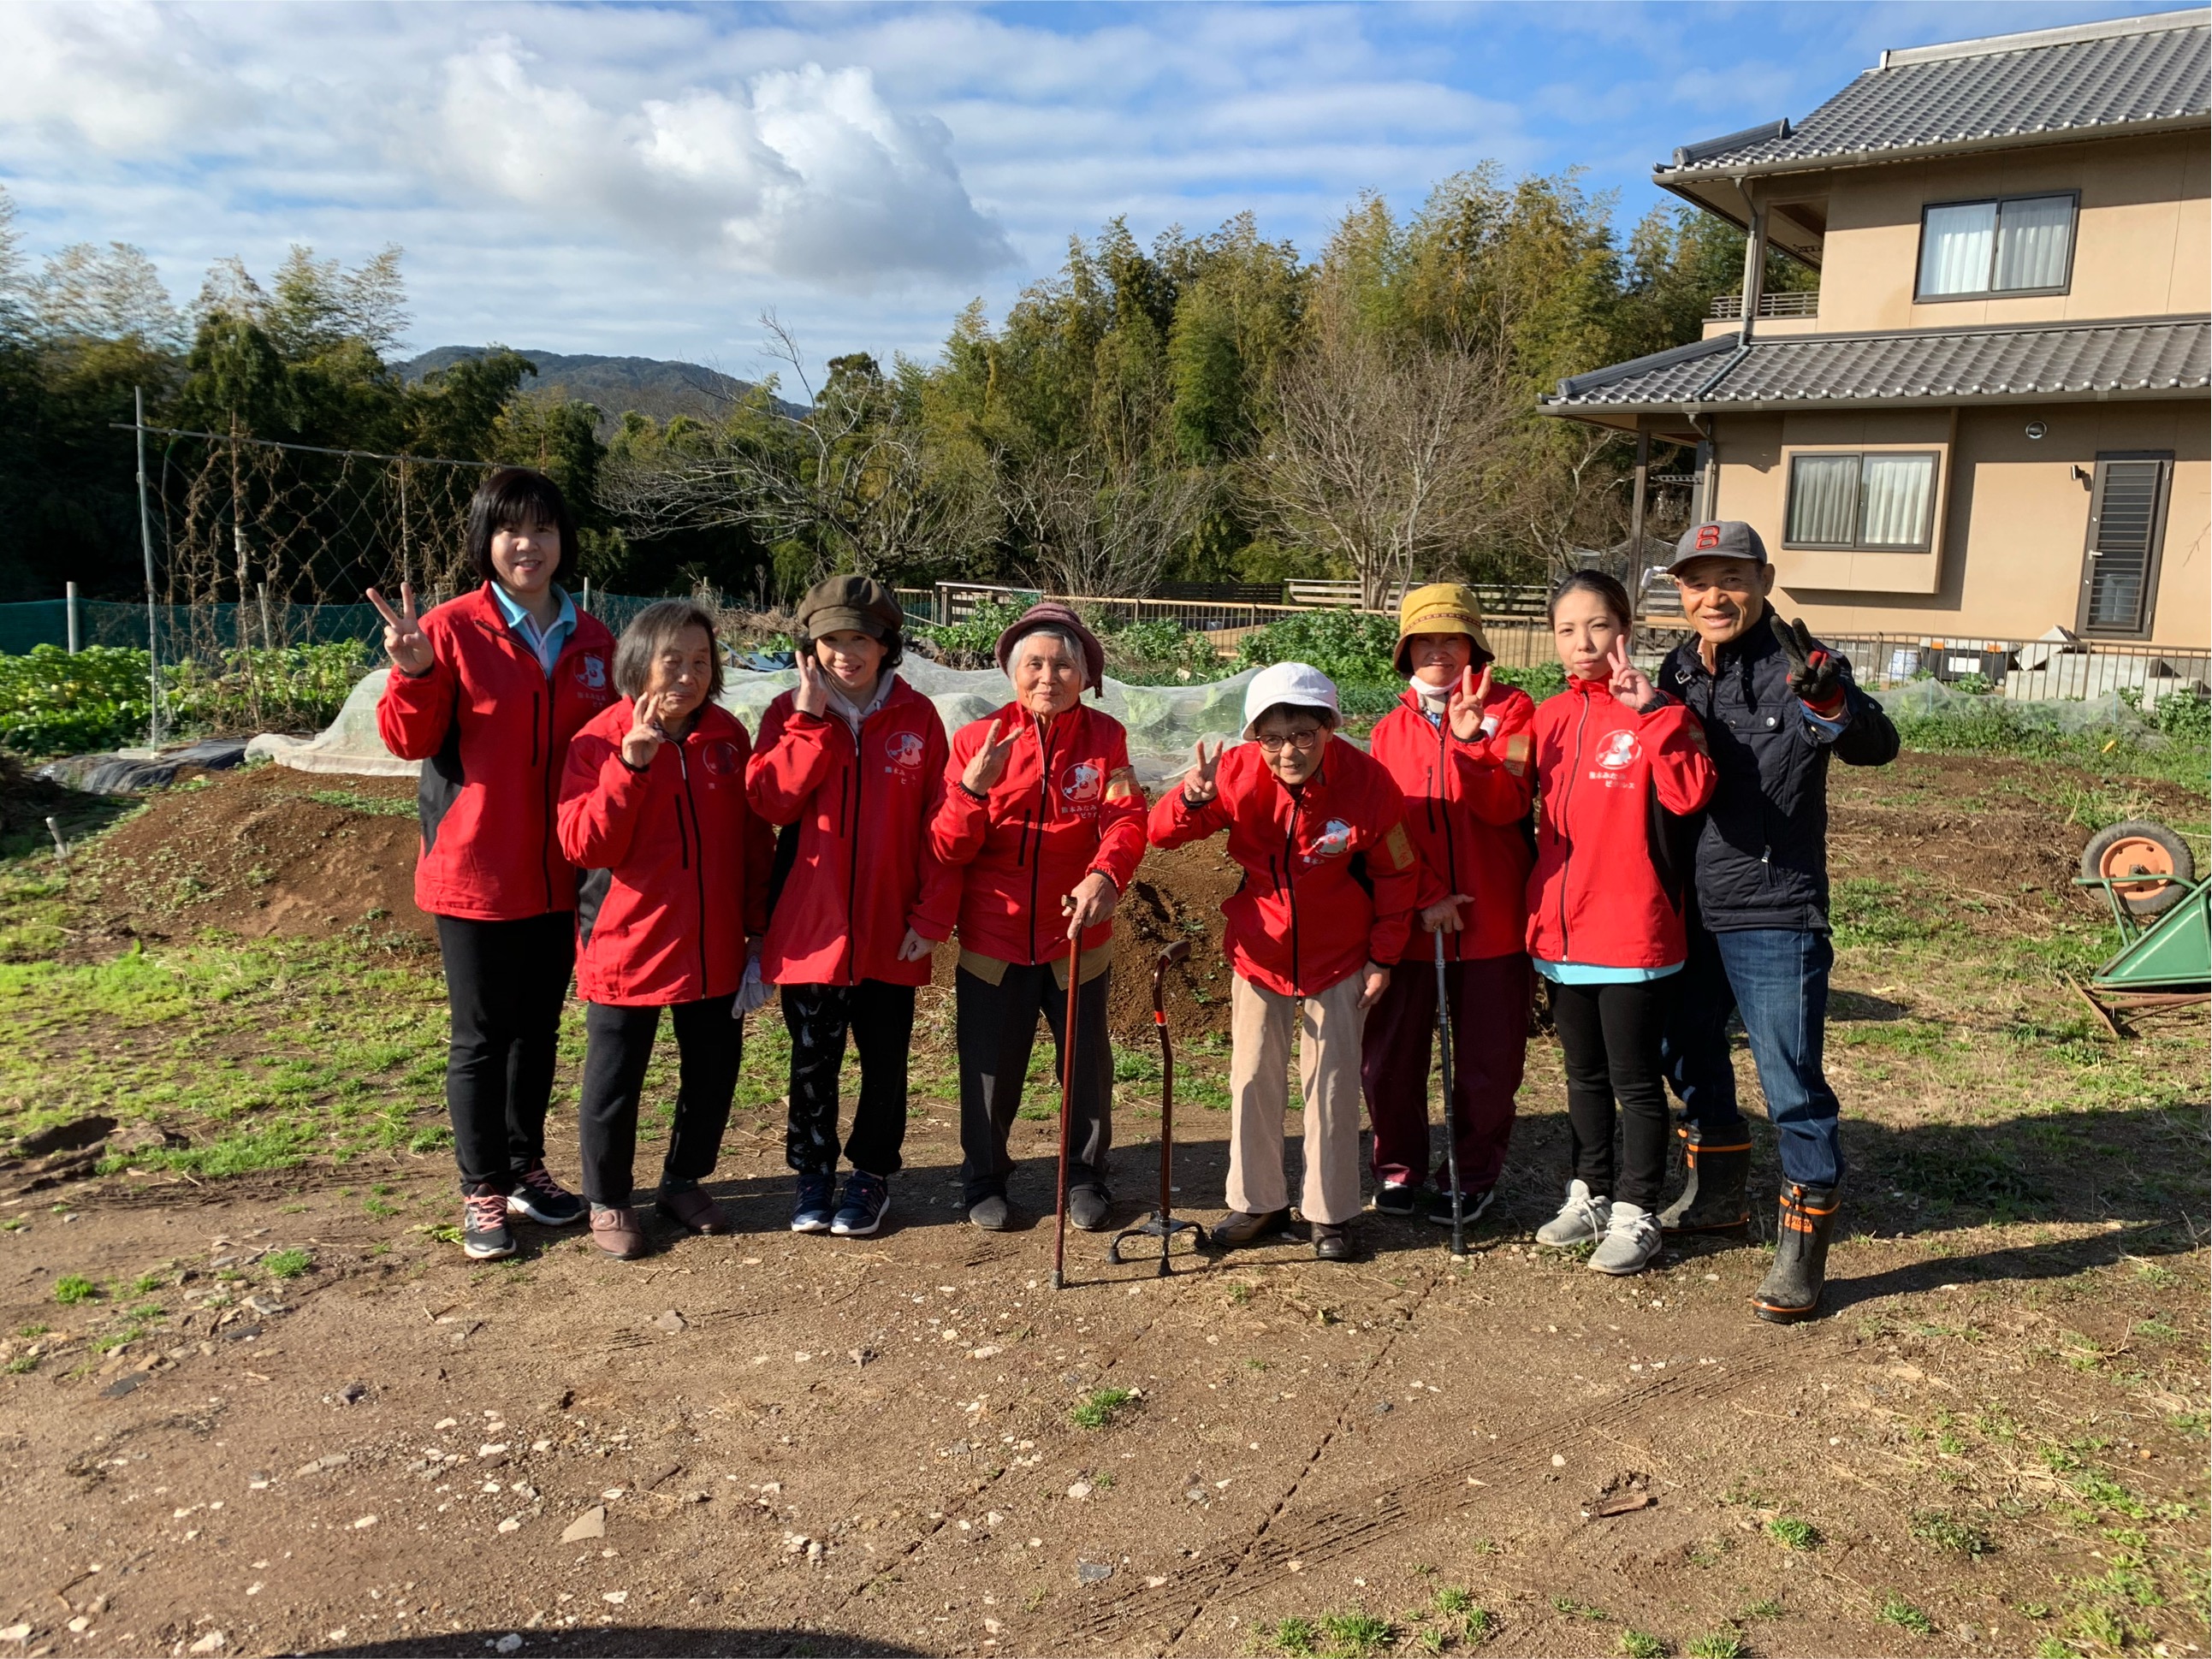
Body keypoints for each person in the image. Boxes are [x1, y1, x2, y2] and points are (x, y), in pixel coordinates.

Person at [1653, 521, 1899, 1322]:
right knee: (1686, 1050)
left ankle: (1802, 1246)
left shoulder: (1802, 662)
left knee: (1789, 1079)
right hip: (1691, 901)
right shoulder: (1679, 665)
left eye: (1729, 577)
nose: (1712, 596)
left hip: (1774, 906)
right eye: (1697, 581)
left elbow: (1873, 743)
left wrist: (1832, 701)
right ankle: (1718, 1192)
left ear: (1762, 577)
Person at [372, 466, 618, 1260]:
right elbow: (409, 740)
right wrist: (411, 673)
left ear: (561, 542)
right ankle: (481, 1187)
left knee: (538, 1030)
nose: (529, 544)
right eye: (513, 529)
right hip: (474, 871)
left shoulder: (593, 639)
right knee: (480, 1037)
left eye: (544, 529)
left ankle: (524, 1167)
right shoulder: (446, 628)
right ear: (487, 540)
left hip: (559, 871)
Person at [1149, 662, 1423, 1263]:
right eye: (1270, 736)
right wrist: (1190, 799)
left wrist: (1383, 955)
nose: (1286, 750)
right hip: (1258, 951)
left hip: (1339, 954)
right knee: (1249, 1077)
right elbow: (1161, 835)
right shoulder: (1237, 774)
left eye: (1301, 733)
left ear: (1329, 727)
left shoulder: (1369, 783)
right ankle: (1259, 1201)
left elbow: (1398, 873)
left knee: (1328, 1086)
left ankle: (1331, 1213)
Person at [555, 600, 774, 1259]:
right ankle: (608, 1198)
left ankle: (682, 1179)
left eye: (701, 661)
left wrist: (758, 932)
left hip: (712, 945)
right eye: (671, 660)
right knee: (615, 1079)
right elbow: (582, 843)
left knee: (712, 1071)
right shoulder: (597, 740)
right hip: (626, 944)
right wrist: (631, 768)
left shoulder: (727, 738)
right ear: (638, 664)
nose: (687, 674)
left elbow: (751, 842)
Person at [746, 576, 959, 1238]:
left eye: (859, 638)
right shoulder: (787, 711)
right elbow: (770, 803)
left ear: (886, 643)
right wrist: (810, 721)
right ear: (810, 646)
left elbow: (939, 822)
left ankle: (870, 1175)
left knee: (885, 1059)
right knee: (812, 1059)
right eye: (831, 639)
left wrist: (930, 916)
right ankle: (812, 1175)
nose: (845, 653)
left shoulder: (918, 717)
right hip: (812, 930)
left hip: (889, 927)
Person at [929, 604, 1146, 1232]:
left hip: (1077, 936)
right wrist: (972, 790)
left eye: (1061, 664)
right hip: (993, 935)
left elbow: (1126, 819)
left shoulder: (1105, 740)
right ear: (1011, 672)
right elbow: (947, 847)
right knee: (989, 1066)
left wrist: (1105, 874)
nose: (1047, 676)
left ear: (1083, 675)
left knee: (1084, 1065)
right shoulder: (977, 740)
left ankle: (1083, 1174)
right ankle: (984, 1178)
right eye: (1034, 664)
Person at [1526, 573, 1717, 1277]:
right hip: (1561, 932)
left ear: (1625, 630)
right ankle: (1591, 1191)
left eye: (1597, 626)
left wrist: (1653, 715)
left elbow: (1691, 792)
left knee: (1634, 1081)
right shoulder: (1547, 717)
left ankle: (1638, 1208)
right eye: (1567, 630)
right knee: (1582, 1075)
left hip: (1633, 928)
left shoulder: (1659, 709)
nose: (1582, 643)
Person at [1362, 583, 1538, 1225]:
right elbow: (1385, 830)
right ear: (1405, 652)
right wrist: (1428, 893)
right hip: (1411, 920)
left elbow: (1508, 804)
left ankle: (1471, 1170)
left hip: (1493, 920)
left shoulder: (1517, 713)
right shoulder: (1386, 731)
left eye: (1451, 637)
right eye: (1423, 640)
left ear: (1474, 645)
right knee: (1390, 1058)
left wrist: (1467, 746)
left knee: (1488, 1064)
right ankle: (1397, 1167)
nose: (1437, 650)